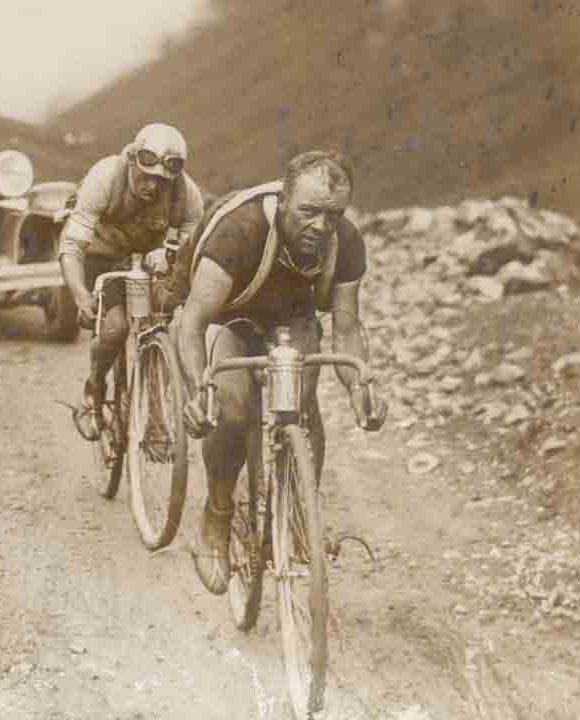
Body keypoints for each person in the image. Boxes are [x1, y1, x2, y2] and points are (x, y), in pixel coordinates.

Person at [177, 150, 387, 595]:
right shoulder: (241, 230)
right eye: (309, 212)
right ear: (284, 198)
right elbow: (193, 322)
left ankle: (296, 514)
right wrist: (199, 389)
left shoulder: (344, 241)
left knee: (303, 412)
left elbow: (346, 327)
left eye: (333, 215)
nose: (321, 226)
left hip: (291, 320)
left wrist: (359, 387)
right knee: (231, 411)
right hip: (231, 317)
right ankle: (217, 514)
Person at [58, 123, 205, 440]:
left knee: (169, 322)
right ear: (132, 159)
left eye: (161, 182)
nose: (152, 187)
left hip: (147, 260)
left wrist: (170, 255)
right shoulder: (105, 177)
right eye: (145, 176)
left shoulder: (187, 195)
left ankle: (154, 400)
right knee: (115, 327)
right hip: (102, 256)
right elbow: (71, 248)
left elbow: (192, 251)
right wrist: (81, 295)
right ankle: (93, 389)